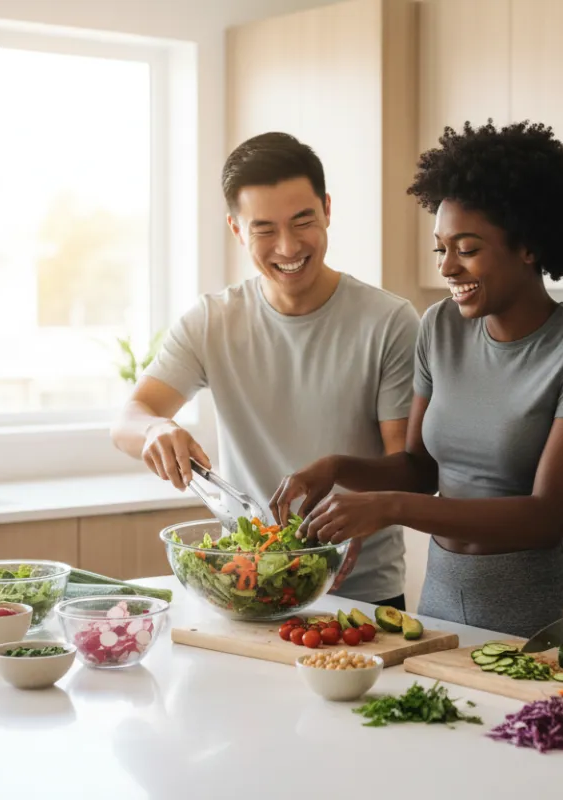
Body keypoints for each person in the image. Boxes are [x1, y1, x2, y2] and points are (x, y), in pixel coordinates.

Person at [271, 121, 563, 637]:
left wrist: (391, 508)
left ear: (528, 245)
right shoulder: (440, 326)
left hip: (542, 612)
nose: (448, 267)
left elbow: (546, 517)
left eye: (467, 247)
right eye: (441, 249)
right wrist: (334, 467)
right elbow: (420, 470)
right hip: (439, 601)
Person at [111, 132, 420, 609]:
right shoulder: (213, 320)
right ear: (237, 230)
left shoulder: (390, 321)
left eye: (303, 222)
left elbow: (407, 467)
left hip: (363, 594)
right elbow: (130, 418)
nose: (288, 246)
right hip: (247, 587)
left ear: (328, 210)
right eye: (264, 230)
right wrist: (154, 429)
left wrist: (366, 512)